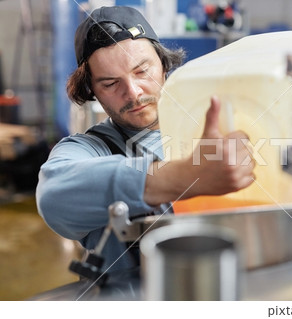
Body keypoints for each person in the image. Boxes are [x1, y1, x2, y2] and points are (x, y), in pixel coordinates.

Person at [36, 6, 255, 273]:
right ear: (92, 90)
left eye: (142, 71)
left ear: (164, 64)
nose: (133, 92)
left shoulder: (217, 124)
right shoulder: (90, 150)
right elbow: (53, 195)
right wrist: (185, 176)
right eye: (110, 83)